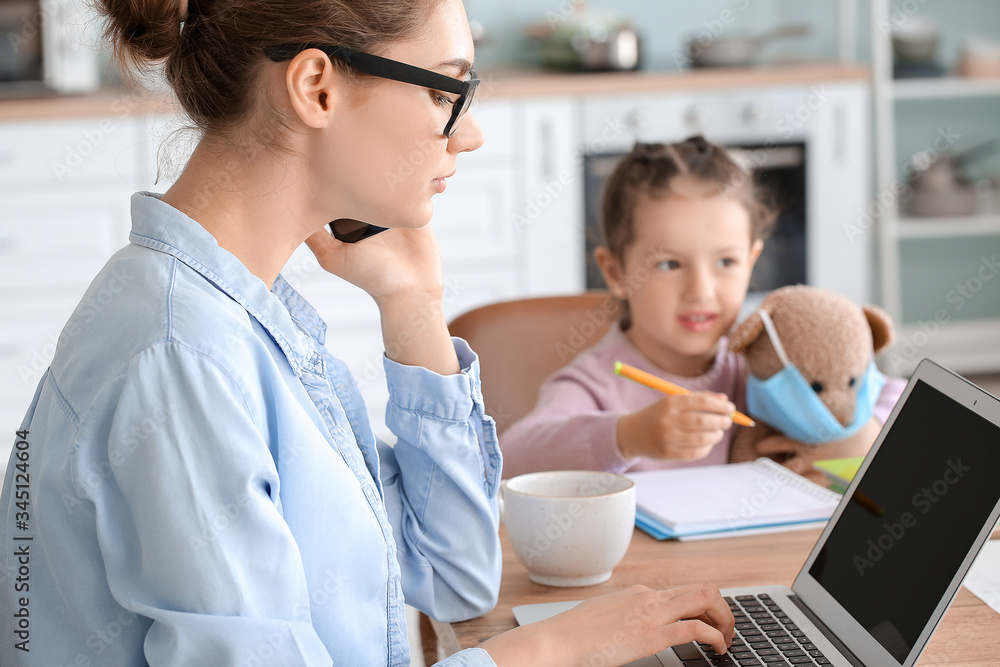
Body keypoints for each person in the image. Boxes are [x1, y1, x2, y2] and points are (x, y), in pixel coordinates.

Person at [0, 1, 736, 665]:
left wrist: (415, 305)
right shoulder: (179, 355)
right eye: (446, 90)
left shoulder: (253, 314)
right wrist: (552, 650)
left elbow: (455, 573)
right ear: (317, 87)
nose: (470, 132)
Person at [501, 138, 905, 479]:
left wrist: (859, 434)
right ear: (616, 271)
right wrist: (628, 436)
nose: (701, 290)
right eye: (669, 264)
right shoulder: (597, 384)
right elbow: (512, 458)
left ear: (752, 260)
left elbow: (897, 396)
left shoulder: (768, 361)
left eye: (726, 263)